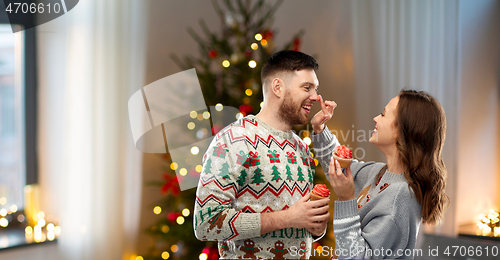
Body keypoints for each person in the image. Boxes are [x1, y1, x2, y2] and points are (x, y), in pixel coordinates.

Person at [194, 50, 330, 259]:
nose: (315, 97)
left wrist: (315, 226)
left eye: (316, 88)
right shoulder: (233, 140)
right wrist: (286, 219)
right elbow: (205, 223)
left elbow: (302, 229)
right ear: (277, 87)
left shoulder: (302, 148)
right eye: (307, 88)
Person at [311, 90, 449, 259]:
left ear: (402, 130)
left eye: (384, 115)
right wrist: (320, 128)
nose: (376, 118)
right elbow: (340, 166)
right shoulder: (378, 172)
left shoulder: (401, 197)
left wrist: (346, 198)